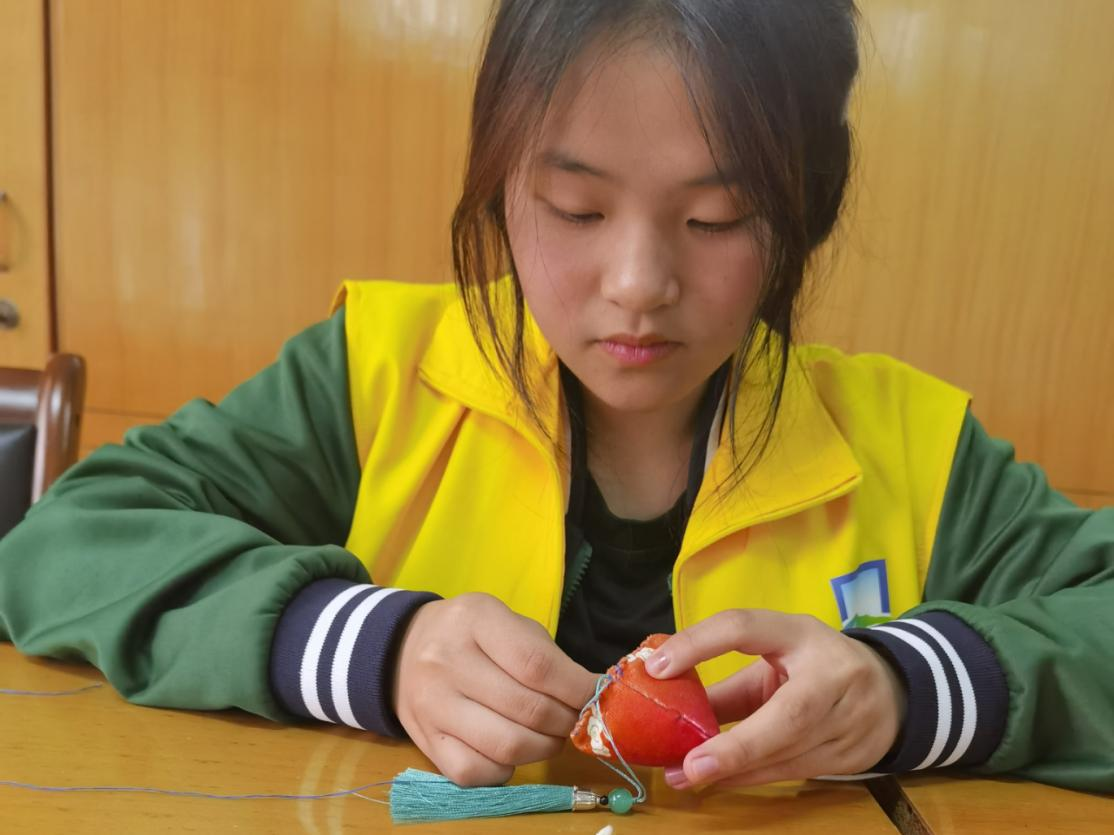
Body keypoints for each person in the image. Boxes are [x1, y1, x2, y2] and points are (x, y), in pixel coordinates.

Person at [2, 0, 1112, 797]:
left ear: (805, 212)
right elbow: (65, 543)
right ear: (500, 186)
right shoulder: (378, 373)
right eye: (576, 208)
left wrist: (907, 686)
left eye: (716, 218)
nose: (637, 283)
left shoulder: (910, 446)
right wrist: (372, 647)